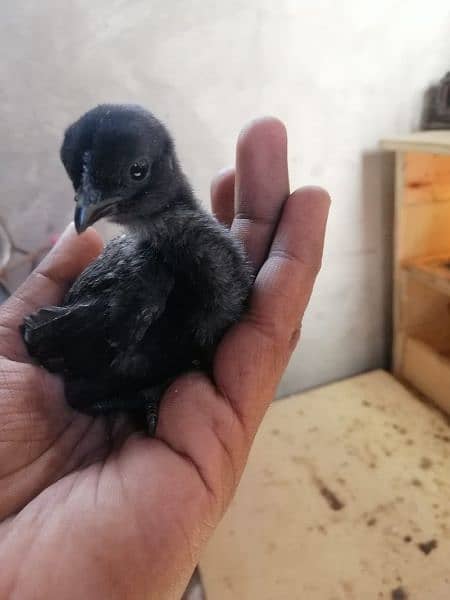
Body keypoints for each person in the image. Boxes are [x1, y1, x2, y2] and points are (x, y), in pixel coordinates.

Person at [0, 117, 329, 599]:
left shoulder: (188, 259)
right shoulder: (140, 285)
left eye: (133, 173)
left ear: (161, 165)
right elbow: (57, 353)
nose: (88, 207)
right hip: (95, 390)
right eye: (84, 187)